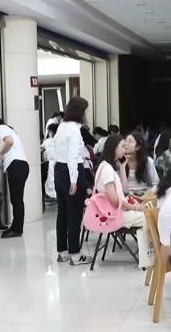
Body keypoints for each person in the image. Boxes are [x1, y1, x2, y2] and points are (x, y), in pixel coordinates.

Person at [95, 134, 152, 267]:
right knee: (151, 217)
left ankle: (148, 255)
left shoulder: (109, 167)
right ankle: (149, 257)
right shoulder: (107, 169)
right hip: (115, 215)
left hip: (117, 211)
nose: (124, 148)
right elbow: (115, 201)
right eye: (122, 146)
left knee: (150, 213)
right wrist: (136, 208)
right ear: (114, 148)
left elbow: (124, 190)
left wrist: (122, 167)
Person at [52, 97, 93, 265]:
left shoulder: (62, 126)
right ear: (80, 112)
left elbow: (55, 152)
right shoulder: (75, 130)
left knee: (62, 213)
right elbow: (73, 157)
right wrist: (74, 181)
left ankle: (62, 252)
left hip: (59, 171)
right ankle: (75, 254)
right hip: (72, 172)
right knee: (74, 215)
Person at [0, 117, 29, 238]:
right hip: (19, 166)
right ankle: (15, 226)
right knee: (16, 199)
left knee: (17, 199)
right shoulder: (7, 130)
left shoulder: (1, 128)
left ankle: (17, 229)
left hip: (17, 166)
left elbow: (9, 142)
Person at [41, 123, 58, 201]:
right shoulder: (60, 140)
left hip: (51, 162)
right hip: (58, 162)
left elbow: (41, 148)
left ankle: (52, 196)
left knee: (51, 179)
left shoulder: (48, 141)